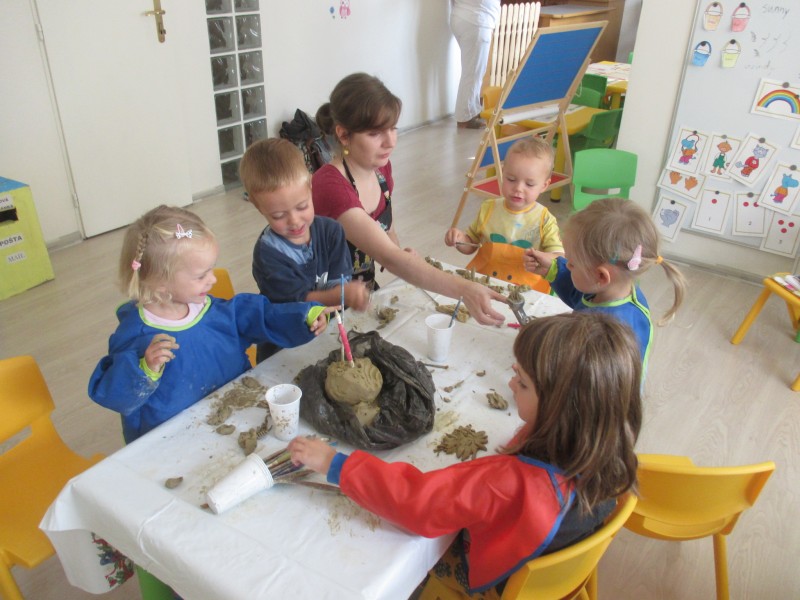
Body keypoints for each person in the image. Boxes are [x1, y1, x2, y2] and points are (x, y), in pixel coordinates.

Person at [289, 311, 642, 597]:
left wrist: (335, 464)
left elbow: (416, 502)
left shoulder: (504, 484)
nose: (510, 383)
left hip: (495, 581)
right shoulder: (606, 442)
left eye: (522, 382)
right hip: (556, 577)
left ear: (559, 411)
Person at [88, 205, 331, 444]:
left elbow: (262, 316)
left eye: (211, 270)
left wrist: (304, 316)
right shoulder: (135, 334)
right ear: (160, 283)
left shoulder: (215, 311)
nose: (212, 280)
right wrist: (145, 370)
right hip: (176, 440)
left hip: (236, 417)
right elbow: (114, 395)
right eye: (201, 275)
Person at [313, 72, 507, 326]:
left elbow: (387, 229)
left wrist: (399, 249)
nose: (390, 141)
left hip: (361, 295)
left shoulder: (381, 169)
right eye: (375, 133)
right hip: (321, 308)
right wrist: (464, 289)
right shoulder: (330, 186)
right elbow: (389, 258)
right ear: (343, 135)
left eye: (393, 128)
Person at [239, 138, 370, 362]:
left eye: (302, 206)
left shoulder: (331, 232)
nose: (295, 221)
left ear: (310, 185)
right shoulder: (267, 255)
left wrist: (346, 293)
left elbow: (338, 283)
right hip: (283, 348)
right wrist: (342, 294)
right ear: (257, 205)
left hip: (326, 337)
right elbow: (297, 302)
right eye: (278, 215)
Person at [524, 197, 686, 372]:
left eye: (572, 263)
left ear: (601, 276)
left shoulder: (605, 333)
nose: (567, 265)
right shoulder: (617, 290)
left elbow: (586, 380)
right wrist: (554, 269)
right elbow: (582, 295)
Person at [444, 136, 563, 292]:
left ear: (544, 185)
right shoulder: (488, 208)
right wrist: (459, 240)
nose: (518, 188)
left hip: (526, 289)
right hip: (485, 283)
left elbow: (559, 256)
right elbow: (471, 244)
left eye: (529, 184)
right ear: (502, 174)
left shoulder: (545, 219)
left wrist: (545, 258)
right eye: (511, 179)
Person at [450, 0, 501, 128]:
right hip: (477, 21)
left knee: (473, 71)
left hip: (467, 17)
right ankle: (465, 118)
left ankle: (471, 111)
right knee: (473, 73)